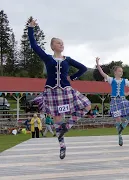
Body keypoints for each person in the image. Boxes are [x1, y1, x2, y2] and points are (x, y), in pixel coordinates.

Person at [28, 19, 91, 159]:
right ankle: (62, 146)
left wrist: (73, 78)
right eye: (58, 42)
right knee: (57, 119)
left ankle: (67, 126)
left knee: (87, 105)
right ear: (52, 46)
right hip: (52, 92)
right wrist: (31, 28)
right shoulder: (47, 58)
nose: (61, 44)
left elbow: (83, 68)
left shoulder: (67, 59)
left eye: (62, 43)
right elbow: (34, 45)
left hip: (66, 91)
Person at [96, 57, 129, 146]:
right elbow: (102, 73)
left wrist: (127, 93)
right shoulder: (111, 80)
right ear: (115, 72)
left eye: (122, 71)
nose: (121, 72)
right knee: (117, 119)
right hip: (114, 101)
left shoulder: (125, 81)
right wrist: (98, 64)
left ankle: (124, 124)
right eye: (119, 71)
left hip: (122, 100)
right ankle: (120, 136)